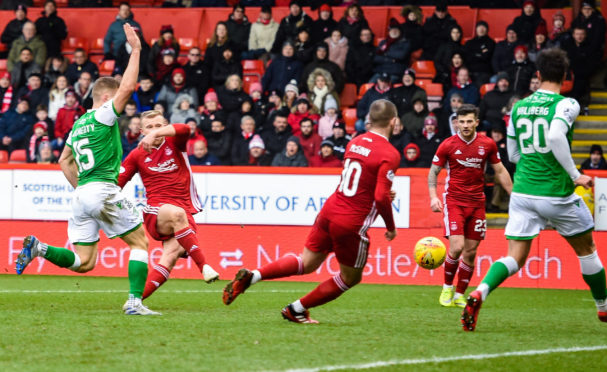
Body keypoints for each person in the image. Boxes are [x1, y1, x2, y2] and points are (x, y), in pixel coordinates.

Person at [14, 24, 160, 316]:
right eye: (117, 97)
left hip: (81, 194)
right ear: (107, 98)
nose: (123, 102)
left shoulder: (78, 124)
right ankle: (134, 302)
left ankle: (39, 248)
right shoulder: (104, 114)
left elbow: (64, 161)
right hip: (102, 190)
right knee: (140, 243)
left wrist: (83, 188)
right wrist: (137, 50)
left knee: (85, 263)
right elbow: (129, 87)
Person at [461, 48, 607, 331]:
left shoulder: (518, 106)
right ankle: (603, 308)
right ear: (566, 77)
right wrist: (576, 175)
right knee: (587, 250)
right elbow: (553, 135)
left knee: (514, 256)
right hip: (556, 192)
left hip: (523, 192)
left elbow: (513, 155)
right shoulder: (567, 104)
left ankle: (480, 291)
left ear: (538, 75)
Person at [222, 99, 401, 324]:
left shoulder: (355, 141)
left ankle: (255, 275)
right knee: (350, 277)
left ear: (370, 120)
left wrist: (381, 192)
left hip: (330, 209)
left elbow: (362, 179)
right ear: (393, 121)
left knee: (306, 262)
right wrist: (391, 227)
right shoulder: (390, 153)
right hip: (350, 222)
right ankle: (296, 309)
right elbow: (379, 196)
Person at [119, 110, 220, 301]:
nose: (154, 130)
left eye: (159, 126)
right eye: (149, 127)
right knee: (177, 214)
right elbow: (118, 183)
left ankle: (135, 301)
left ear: (166, 126)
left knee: (171, 256)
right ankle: (204, 266)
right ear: (141, 131)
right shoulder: (136, 155)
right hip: (156, 211)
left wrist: (157, 133)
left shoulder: (175, 143)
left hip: (183, 211)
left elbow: (184, 128)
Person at [428, 104, 513, 308]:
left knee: (471, 251)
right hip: (454, 201)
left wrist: (515, 197)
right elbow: (433, 172)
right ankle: (447, 287)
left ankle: (459, 294)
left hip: (477, 203)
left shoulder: (487, 144)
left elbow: (500, 171)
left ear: (476, 122)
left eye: (469, 121)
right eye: (462, 121)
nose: (465, 125)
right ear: (456, 122)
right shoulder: (448, 145)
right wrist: (433, 196)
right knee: (456, 247)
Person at [372, 18, 410, 84]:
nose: (394, 31)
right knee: (369, 85)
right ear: (389, 32)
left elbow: (401, 56)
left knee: (387, 87)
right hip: (381, 71)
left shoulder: (405, 43)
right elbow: (376, 58)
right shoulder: (383, 42)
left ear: (400, 32)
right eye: (392, 30)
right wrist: (391, 60)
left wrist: (384, 53)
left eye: (396, 30)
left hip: (396, 72)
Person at [464, 21, 495, 86]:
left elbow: (487, 57)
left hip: (484, 73)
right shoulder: (469, 43)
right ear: (476, 29)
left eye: (483, 27)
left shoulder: (491, 43)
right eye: (479, 27)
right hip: (470, 72)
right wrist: (480, 55)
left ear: (487, 30)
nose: (481, 29)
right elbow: (467, 57)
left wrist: (475, 55)